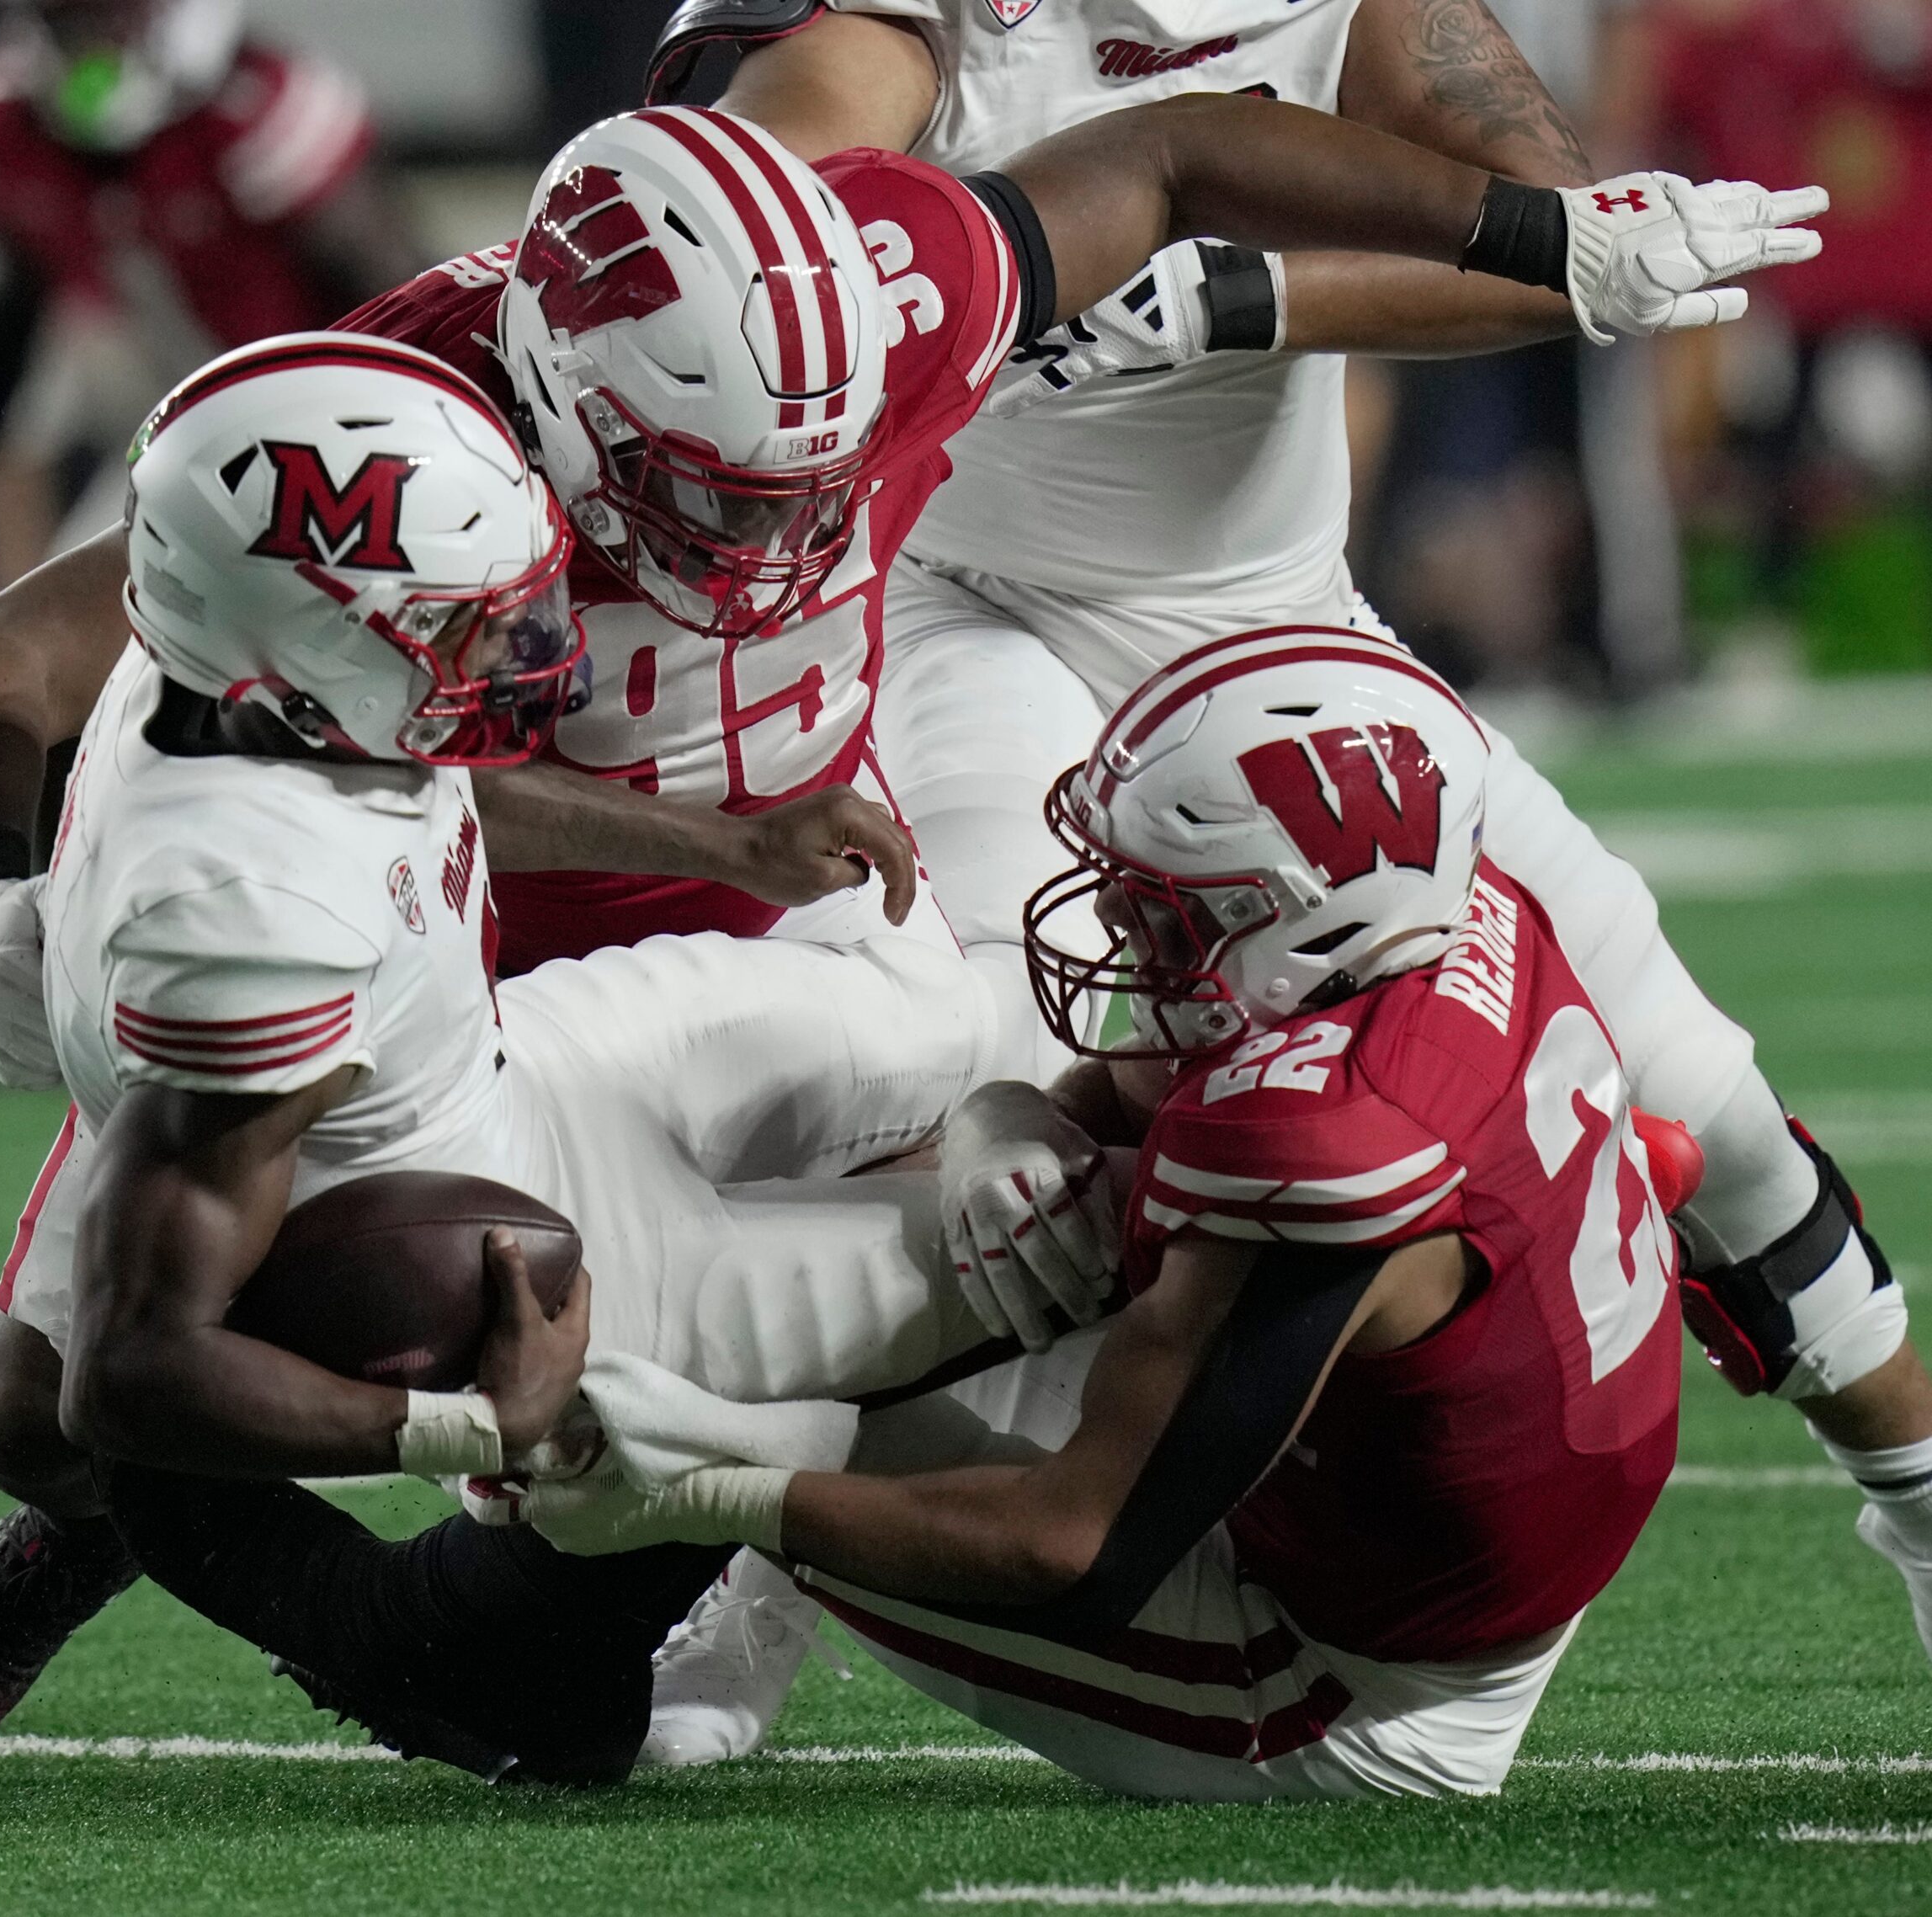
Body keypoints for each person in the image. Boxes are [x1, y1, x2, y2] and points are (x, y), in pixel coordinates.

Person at [0, 95, 1818, 1774]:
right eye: (715, 497)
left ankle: (700, 1562)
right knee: (59, 1416)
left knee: (929, 1185)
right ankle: (143, 1523)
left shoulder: (879, 300)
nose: (781, 541)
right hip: (420, 924)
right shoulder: (407, 432)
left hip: (767, 875)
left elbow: (1165, 150)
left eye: (814, 480)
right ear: (554, 397)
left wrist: (1535, 230)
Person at [632, 0, 1932, 1752]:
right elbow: (773, 174)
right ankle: (764, 1566)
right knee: (978, 1067)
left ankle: (1917, 1494)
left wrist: (1239, 294)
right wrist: (876, 243)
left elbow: (1548, 237)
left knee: (1684, 1061)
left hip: (1268, 608)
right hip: (959, 600)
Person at [0, 332, 1001, 1773]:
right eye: (473, 624)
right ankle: (363, 1596)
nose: (536, 646)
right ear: (316, 645)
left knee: (941, 1031)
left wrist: (727, 846)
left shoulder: (251, 669)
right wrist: (463, 1424)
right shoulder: (246, 911)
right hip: (411, 1172)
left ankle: (230, 1521)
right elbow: (134, 1374)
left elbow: (418, 780)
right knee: (963, 1284)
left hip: (474, 1055)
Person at [525, 629, 1700, 1802]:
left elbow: (1068, 1552)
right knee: (951, 1243)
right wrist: (1004, 1121)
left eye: (1173, 917)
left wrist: (720, 1487)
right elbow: (1130, 1087)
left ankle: (752, 1596)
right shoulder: (1426, 921)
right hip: (1417, 1514)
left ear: (1311, 928)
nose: (1128, 940)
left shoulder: (1336, 1158)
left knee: (749, 1403)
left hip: (1352, 1691)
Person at [0, 0, 423, 588]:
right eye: (69, 20)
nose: (91, 45)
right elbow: (9, 331)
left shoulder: (261, 105)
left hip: (315, 425)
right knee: (71, 586)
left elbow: (405, 299)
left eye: (110, 17)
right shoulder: (4, 123)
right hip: (154, 429)